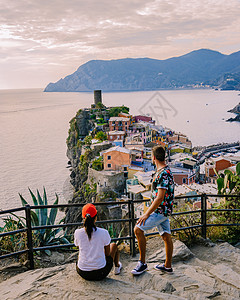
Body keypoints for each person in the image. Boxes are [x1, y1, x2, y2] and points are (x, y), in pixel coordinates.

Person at [131, 145, 174, 275]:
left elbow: (160, 197)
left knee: (138, 229)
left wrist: (146, 214)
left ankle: (142, 263)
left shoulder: (162, 174)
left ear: (153, 157)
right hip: (165, 210)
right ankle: (167, 266)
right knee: (166, 235)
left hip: (159, 211)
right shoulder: (165, 171)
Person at [74, 203, 122, 280]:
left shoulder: (77, 232)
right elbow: (107, 254)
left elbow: (79, 246)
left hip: (83, 272)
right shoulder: (104, 232)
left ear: (83, 218)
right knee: (113, 245)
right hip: (100, 273)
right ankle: (117, 268)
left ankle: (87, 264)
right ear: (96, 218)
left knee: (80, 254)